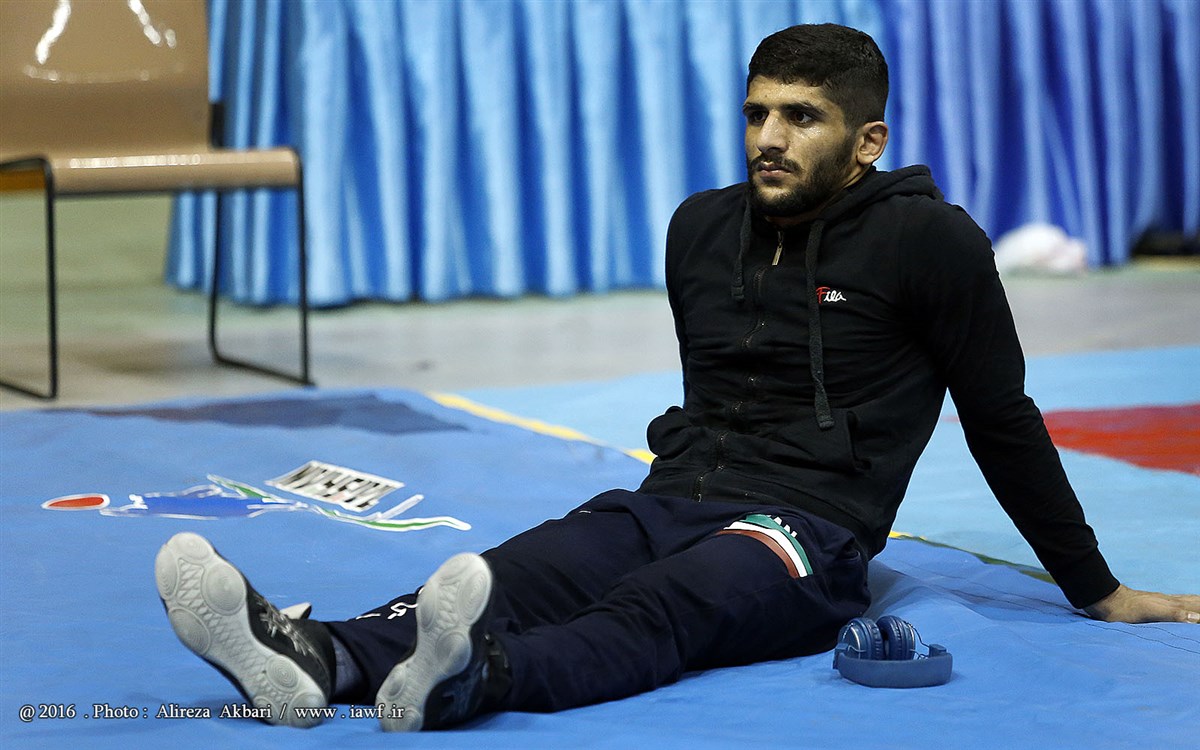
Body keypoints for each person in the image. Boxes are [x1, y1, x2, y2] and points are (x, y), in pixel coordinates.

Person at [154, 23, 1200, 732]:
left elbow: (1001, 417)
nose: (768, 139)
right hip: (671, 497)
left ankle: (473, 679)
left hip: (809, 531)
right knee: (509, 575)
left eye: (801, 117)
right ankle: (314, 655)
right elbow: (714, 394)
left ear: (867, 140)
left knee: (663, 607)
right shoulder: (699, 227)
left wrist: (1097, 589)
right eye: (756, 113)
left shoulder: (931, 242)